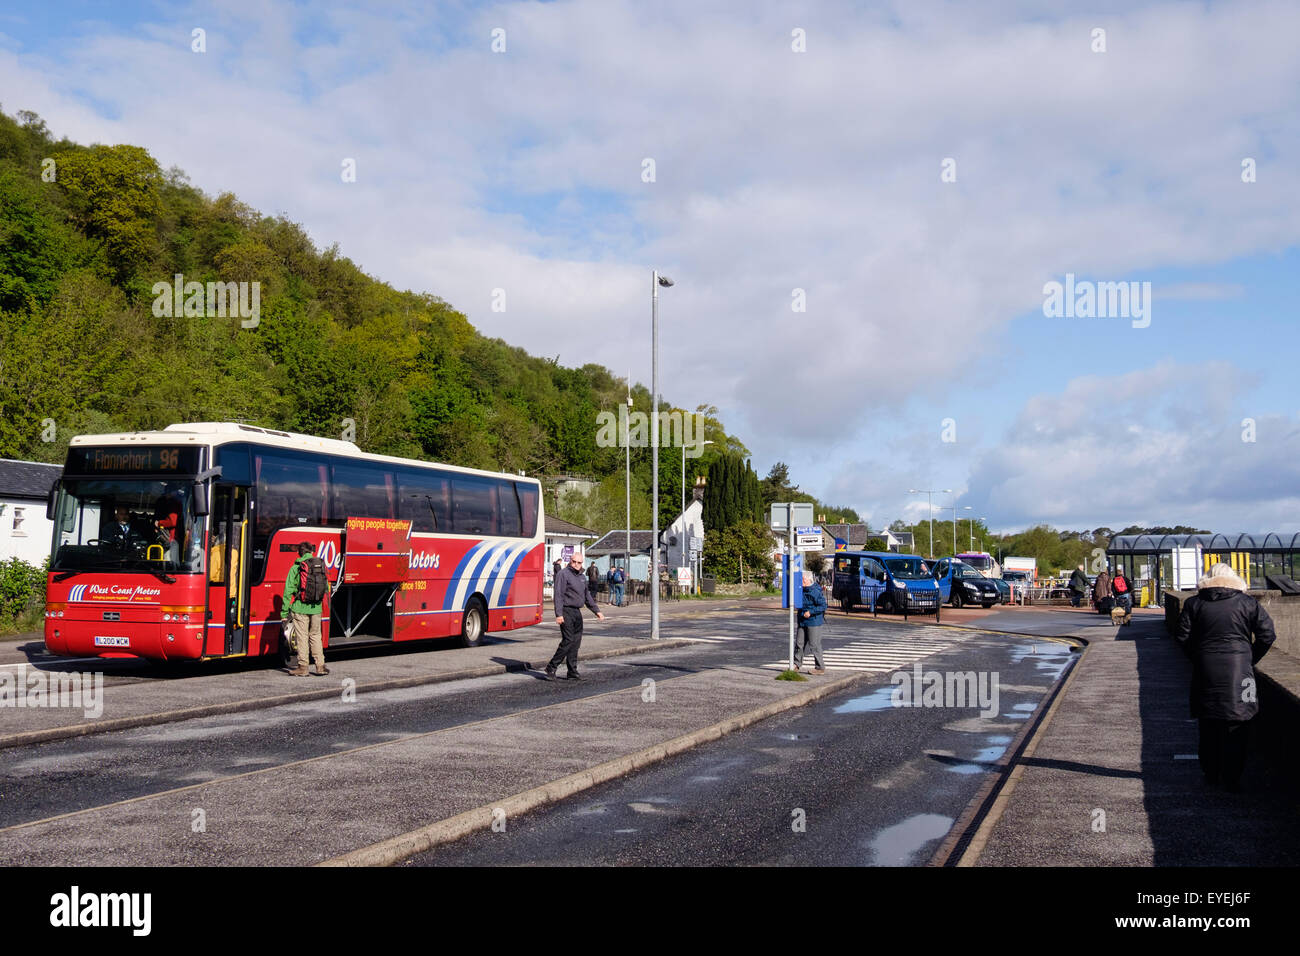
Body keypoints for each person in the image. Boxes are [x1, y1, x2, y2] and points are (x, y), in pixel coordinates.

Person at [1175, 563, 1275, 791]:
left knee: (1208, 723)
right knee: (1241, 721)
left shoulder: (1194, 603)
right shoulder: (1248, 603)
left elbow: (1182, 636)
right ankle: (1232, 779)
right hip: (1243, 673)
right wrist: (1249, 658)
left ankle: (1211, 773)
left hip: (1206, 671)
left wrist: (1199, 657)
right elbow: (1268, 635)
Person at [544, 549, 604, 680]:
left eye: (579, 562)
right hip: (566, 611)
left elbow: (587, 596)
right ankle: (551, 667)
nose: (576, 564)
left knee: (576, 642)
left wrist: (597, 611)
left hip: (577, 612)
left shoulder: (582, 577)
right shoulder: (563, 574)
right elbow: (558, 595)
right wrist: (558, 614)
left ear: (582, 563)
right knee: (568, 640)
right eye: (574, 561)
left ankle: (572, 671)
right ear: (570, 561)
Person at [284, 542, 328, 677]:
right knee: (315, 636)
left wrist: (284, 612)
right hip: (316, 607)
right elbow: (325, 587)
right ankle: (320, 666)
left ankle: (303, 667)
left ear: (299, 553)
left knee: (302, 637)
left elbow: (288, 591)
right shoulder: (320, 566)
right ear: (311, 552)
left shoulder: (296, 567)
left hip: (300, 607)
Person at [795, 570, 827, 674]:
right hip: (802, 620)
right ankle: (796, 664)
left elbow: (823, 606)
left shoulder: (815, 591)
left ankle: (820, 667)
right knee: (799, 643)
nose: (801, 582)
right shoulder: (800, 590)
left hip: (814, 622)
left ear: (809, 580)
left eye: (803, 579)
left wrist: (811, 612)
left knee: (814, 645)